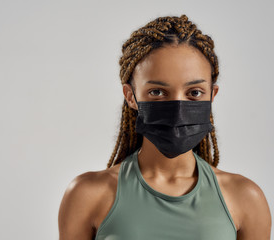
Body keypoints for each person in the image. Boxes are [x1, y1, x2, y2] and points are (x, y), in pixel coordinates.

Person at [58, 14, 272, 240]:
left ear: (212, 95)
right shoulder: (88, 195)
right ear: (131, 96)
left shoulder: (245, 198)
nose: (178, 108)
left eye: (194, 93)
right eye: (157, 92)